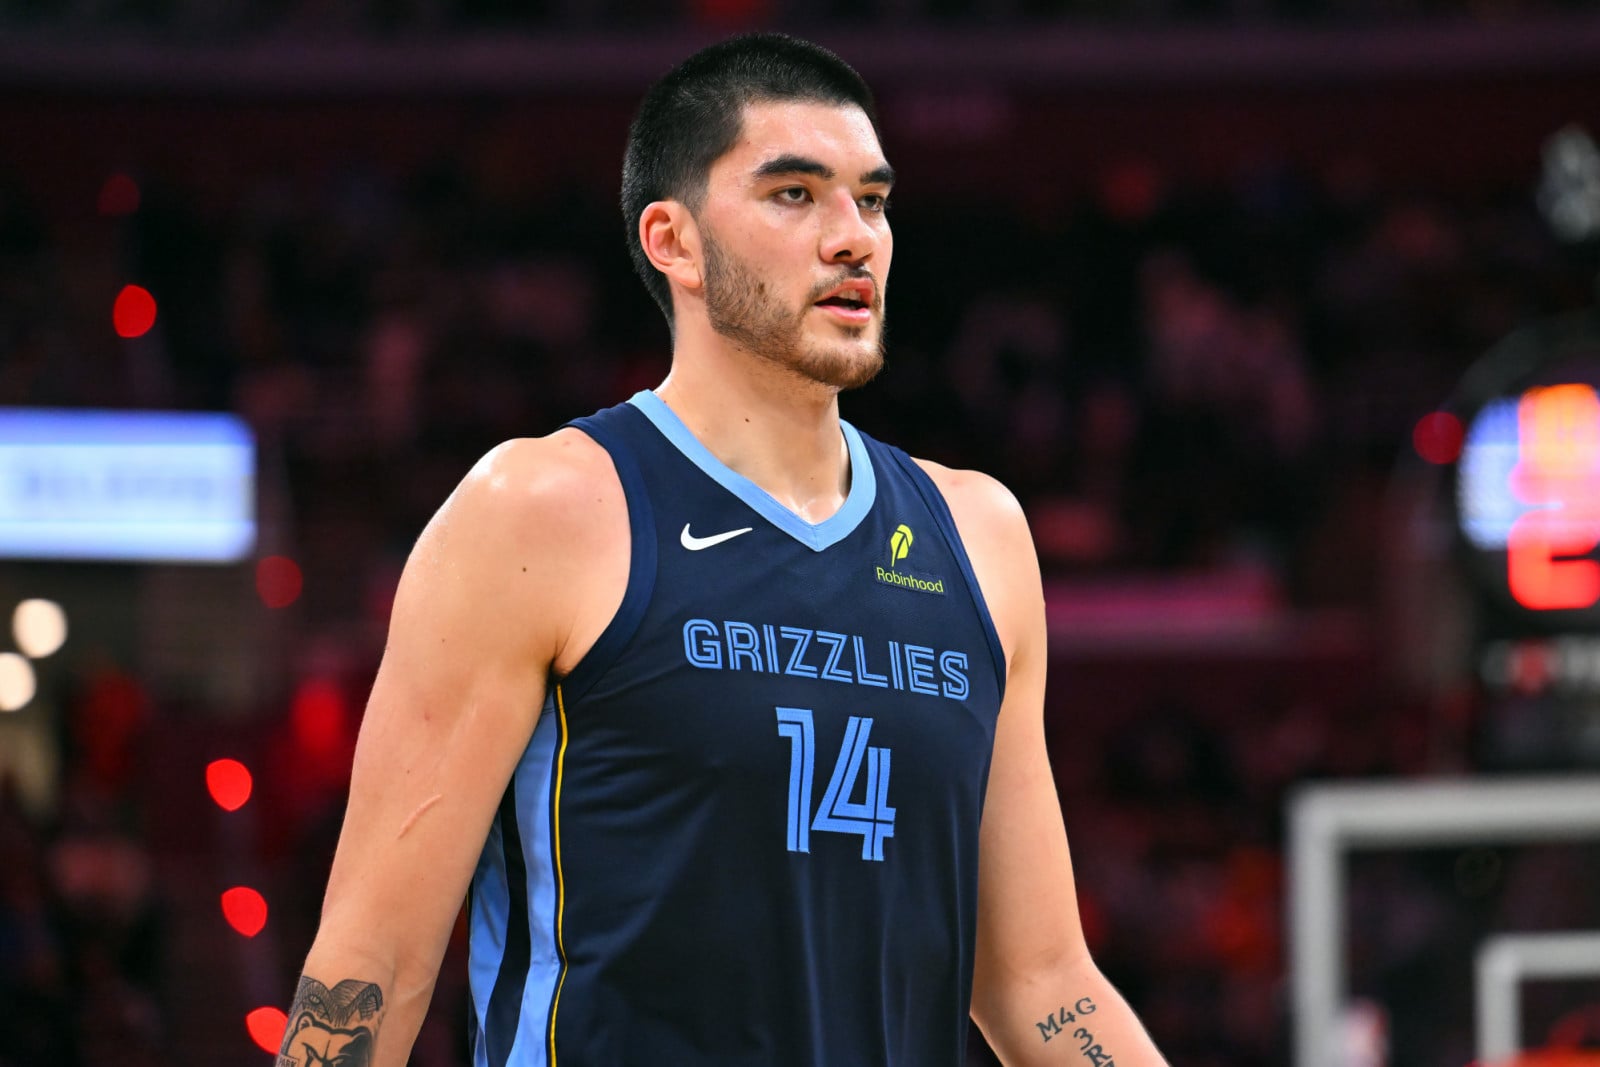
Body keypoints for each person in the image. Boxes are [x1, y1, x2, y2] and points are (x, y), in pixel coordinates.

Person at [278, 32, 1170, 1067]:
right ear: (675, 240)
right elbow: (371, 962)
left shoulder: (979, 536)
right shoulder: (540, 511)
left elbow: (1039, 982)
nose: (854, 238)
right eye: (795, 194)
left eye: (871, 199)